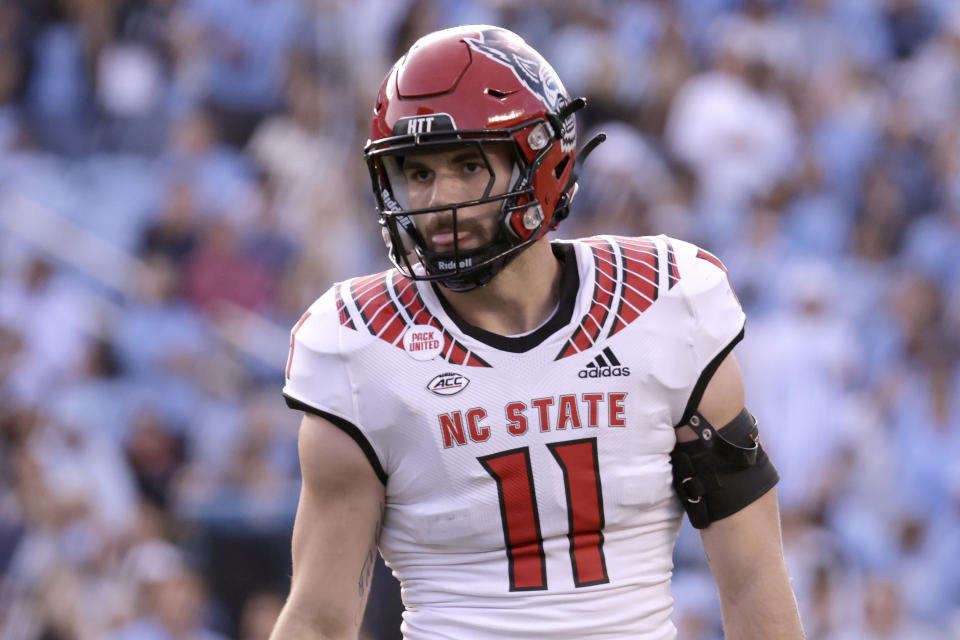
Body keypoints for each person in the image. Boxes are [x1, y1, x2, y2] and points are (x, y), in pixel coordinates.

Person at [270, 25, 804, 639]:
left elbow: (754, 574)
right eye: (416, 174)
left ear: (541, 159)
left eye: (468, 166)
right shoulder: (364, 347)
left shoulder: (662, 302)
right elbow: (318, 617)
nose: (437, 200)